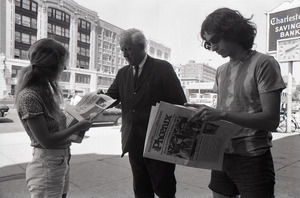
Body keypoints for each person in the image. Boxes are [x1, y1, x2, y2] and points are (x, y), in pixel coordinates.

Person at [186, 8, 286, 198]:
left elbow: (271, 120)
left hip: (252, 158)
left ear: (231, 32)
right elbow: (227, 110)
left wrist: (222, 114)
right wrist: (209, 112)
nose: (213, 48)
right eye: (208, 44)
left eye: (214, 40)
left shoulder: (264, 63)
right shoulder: (221, 70)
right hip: (221, 153)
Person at [104, 28, 187, 198]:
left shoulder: (162, 68)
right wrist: (95, 100)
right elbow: (110, 98)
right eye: (122, 50)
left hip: (159, 143)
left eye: (128, 49)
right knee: (141, 189)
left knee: (164, 188)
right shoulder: (123, 73)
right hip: (133, 142)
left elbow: (179, 102)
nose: (124, 54)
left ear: (141, 47)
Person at [15, 38, 92, 198]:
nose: (64, 67)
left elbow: (54, 128)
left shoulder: (44, 92)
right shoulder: (29, 96)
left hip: (59, 160)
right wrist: (78, 127)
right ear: (50, 66)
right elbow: (47, 140)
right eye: (62, 63)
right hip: (47, 164)